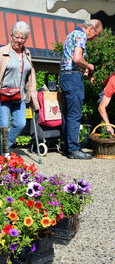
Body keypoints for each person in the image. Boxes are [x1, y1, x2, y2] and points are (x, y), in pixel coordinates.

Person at [0, 21, 39, 152]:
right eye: (17, 37)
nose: (19, 40)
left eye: (23, 38)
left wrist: (31, 93)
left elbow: (29, 76)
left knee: (20, 124)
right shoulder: (2, 52)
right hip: (3, 95)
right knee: (3, 126)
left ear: (26, 39)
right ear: (11, 35)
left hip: (19, 96)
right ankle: (0, 155)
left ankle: (1, 149)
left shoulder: (27, 53)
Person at [60, 19, 102, 159]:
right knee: (75, 114)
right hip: (72, 78)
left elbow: (69, 60)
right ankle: (73, 149)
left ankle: (67, 148)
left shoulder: (70, 34)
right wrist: (89, 66)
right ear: (90, 28)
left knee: (67, 113)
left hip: (65, 76)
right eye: (95, 35)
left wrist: (83, 71)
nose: (94, 38)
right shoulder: (81, 36)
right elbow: (77, 58)